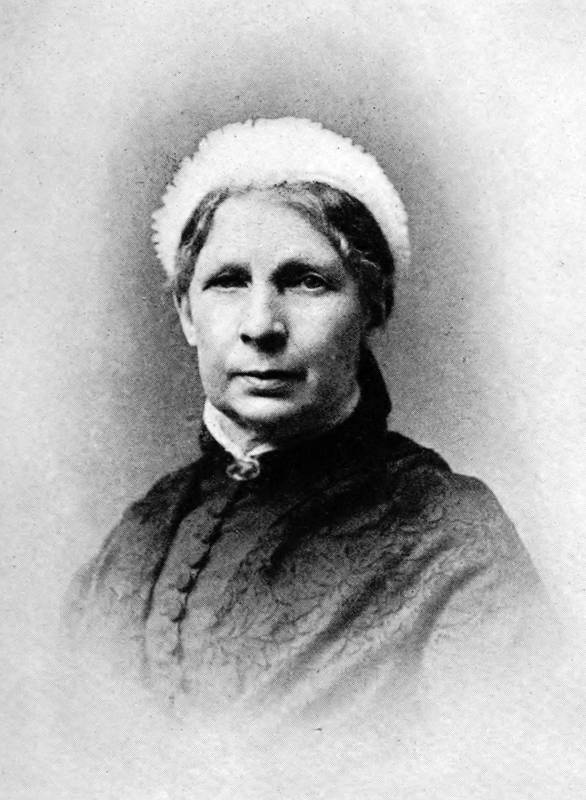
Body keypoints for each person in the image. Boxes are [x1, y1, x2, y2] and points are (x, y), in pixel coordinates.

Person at [64, 118, 556, 727]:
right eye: (228, 282)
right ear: (187, 313)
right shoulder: (136, 536)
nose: (261, 326)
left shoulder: (450, 536)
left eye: (307, 282)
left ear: (372, 306)